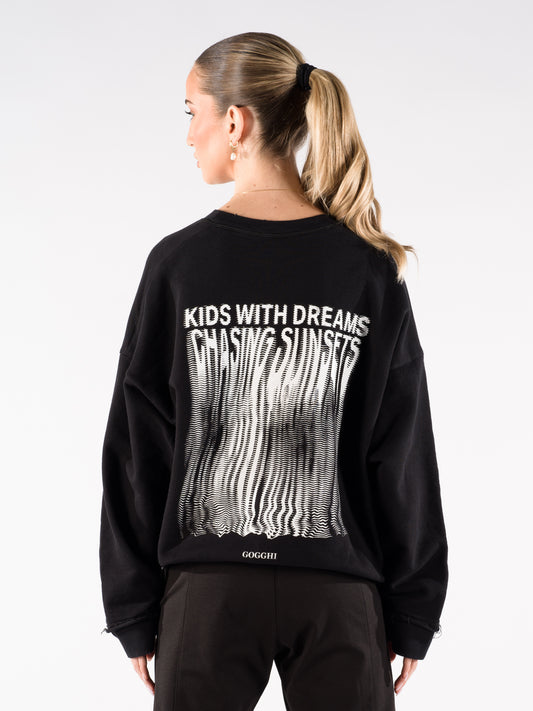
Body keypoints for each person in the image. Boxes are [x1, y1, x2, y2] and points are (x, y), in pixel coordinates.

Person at [99, 31, 448, 711]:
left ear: (234, 121)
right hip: (339, 592)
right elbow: (402, 450)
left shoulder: (178, 265)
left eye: (192, 112)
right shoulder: (367, 269)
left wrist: (133, 606)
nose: (189, 134)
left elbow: (139, 446)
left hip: (206, 592)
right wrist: (413, 606)